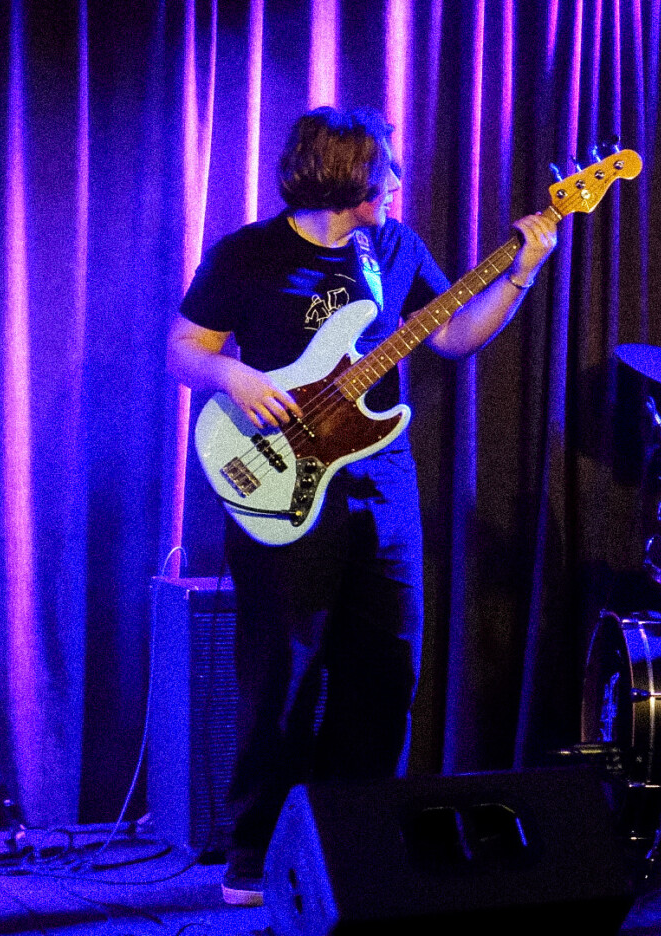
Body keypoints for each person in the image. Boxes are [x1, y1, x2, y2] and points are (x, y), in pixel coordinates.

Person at [166, 107, 557, 906]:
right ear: (345, 179)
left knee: (386, 671)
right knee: (282, 677)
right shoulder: (248, 253)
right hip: (277, 480)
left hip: (382, 481)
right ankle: (255, 852)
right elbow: (184, 348)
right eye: (385, 173)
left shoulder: (395, 249)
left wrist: (522, 270)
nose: (399, 185)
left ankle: (358, 843)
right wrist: (235, 375)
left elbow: (454, 337)